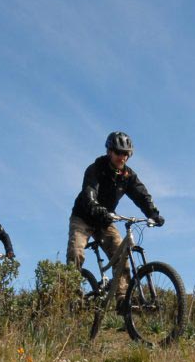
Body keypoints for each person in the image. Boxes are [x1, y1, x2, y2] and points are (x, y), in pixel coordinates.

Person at [68, 131, 164, 308]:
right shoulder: (95, 169)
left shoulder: (128, 176)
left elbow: (141, 195)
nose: (122, 157)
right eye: (119, 152)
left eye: (126, 153)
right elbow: (89, 193)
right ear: (109, 152)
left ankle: (122, 299)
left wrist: (153, 213)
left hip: (105, 220)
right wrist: (96, 207)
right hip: (83, 216)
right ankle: (72, 296)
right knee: (76, 252)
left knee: (121, 254)